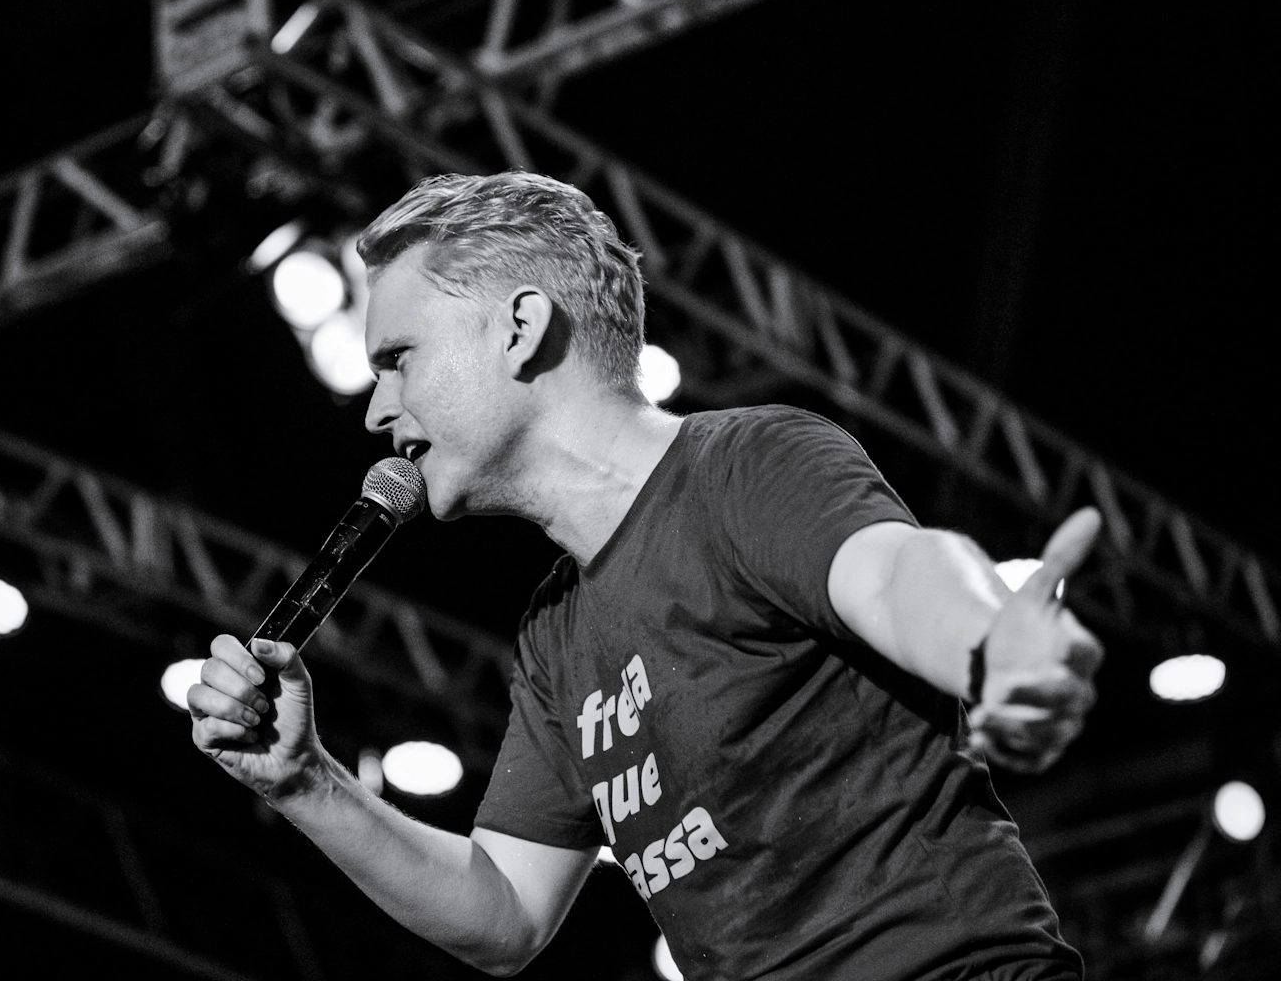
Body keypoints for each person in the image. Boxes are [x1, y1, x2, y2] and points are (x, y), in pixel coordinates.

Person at [187, 172, 1103, 980]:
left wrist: (986, 643)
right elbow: (505, 915)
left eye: (399, 359)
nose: (378, 408)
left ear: (521, 329)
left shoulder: (747, 465)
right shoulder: (556, 632)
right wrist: (306, 782)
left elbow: (898, 574)